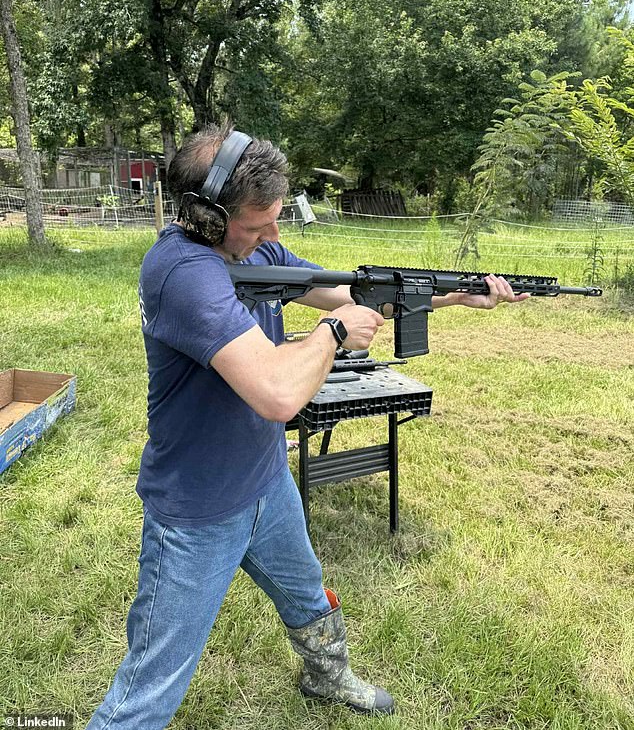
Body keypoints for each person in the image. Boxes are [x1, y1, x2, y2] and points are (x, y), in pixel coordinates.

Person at [86, 124, 528, 729]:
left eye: (274, 220)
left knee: (307, 597)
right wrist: (335, 335)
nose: (274, 237)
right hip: (196, 510)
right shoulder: (182, 272)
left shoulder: (256, 252)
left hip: (265, 482)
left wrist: (451, 296)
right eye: (257, 223)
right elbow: (276, 391)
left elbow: (348, 293)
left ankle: (327, 675)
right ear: (206, 217)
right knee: (150, 686)